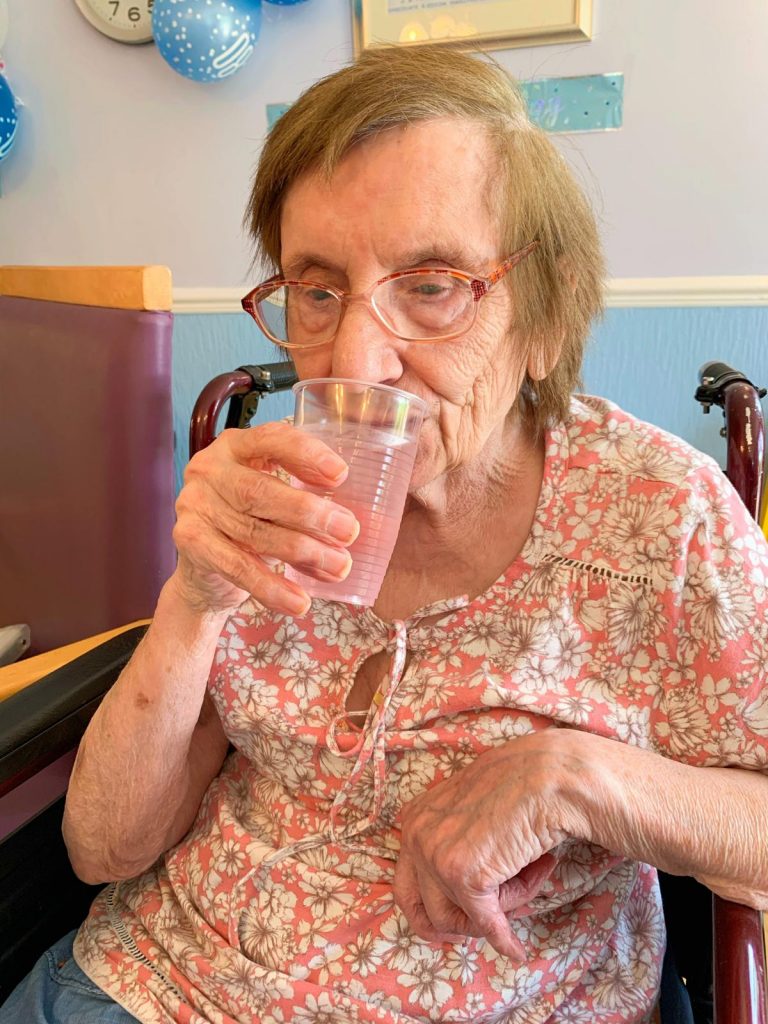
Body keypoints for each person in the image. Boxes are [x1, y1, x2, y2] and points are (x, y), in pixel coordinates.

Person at [4, 45, 768, 1024]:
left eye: (433, 283)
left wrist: (581, 777)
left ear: (543, 316)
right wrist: (193, 601)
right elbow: (105, 850)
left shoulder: (660, 514)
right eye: (318, 290)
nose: (353, 358)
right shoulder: (270, 493)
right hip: (157, 983)